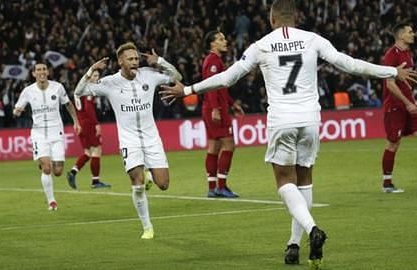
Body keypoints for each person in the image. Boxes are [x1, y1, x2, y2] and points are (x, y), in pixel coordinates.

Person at [160, 0, 417, 268]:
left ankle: (313, 228)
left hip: (282, 120)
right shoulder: (312, 39)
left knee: (284, 181)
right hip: (310, 120)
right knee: (303, 180)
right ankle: (294, 245)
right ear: (296, 17)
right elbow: (348, 63)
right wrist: (392, 71)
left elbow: (227, 78)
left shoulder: (261, 45)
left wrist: (188, 90)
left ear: (272, 19)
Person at [74, 42, 182, 240]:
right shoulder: (109, 83)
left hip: (152, 139)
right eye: (130, 59)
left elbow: (177, 78)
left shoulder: (149, 74)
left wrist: (160, 61)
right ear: (120, 61)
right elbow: (79, 91)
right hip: (128, 140)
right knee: (136, 181)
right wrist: (91, 70)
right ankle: (147, 227)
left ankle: (150, 176)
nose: (135, 62)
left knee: (164, 184)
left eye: (136, 59)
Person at [13, 62, 81, 211]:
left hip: (56, 132)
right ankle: (52, 201)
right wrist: (17, 112)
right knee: (47, 167)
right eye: (38, 70)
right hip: (38, 134)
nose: (41, 72)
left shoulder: (57, 87)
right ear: (34, 74)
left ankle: (44, 162)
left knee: (58, 172)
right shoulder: (28, 91)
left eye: (44, 69)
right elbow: (18, 108)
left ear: (48, 72)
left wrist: (76, 121)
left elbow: (68, 104)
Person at [201, 30, 244, 198]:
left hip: (212, 108)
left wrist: (233, 104)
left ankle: (212, 188)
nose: (224, 41)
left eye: (224, 37)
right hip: (215, 109)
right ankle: (221, 186)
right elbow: (211, 86)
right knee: (229, 145)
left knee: (214, 147)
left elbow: (220, 88)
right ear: (213, 44)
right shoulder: (213, 62)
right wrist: (216, 109)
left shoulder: (214, 61)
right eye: (220, 39)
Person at [380, 22, 417, 193]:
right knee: (393, 143)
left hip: (409, 104)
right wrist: (407, 102)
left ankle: (387, 183)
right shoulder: (391, 56)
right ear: (401, 35)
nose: (413, 34)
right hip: (395, 106)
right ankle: (387, 183)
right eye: (410, 32)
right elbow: (390, 84)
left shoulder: (408, 54)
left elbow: (407, 81)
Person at [67, 68, 111, 190]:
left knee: (88, 152)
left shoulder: (79, 90)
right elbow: (89, 108)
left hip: (81, 123)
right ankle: (95, 181)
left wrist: (77, 122)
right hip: (88, 123)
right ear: (89, 77)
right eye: (95, 75)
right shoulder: (88, 90)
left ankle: (73, 172)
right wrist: (96, 124)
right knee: (97, 151)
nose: (97, 78)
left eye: (98, 76)